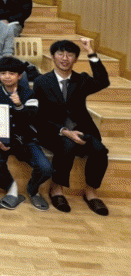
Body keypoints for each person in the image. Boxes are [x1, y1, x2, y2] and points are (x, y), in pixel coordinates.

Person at [34, 39, 111, 216]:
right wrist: (64, 131)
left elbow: (103, 81)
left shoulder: (81, 80)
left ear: (76, 59)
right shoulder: (41, 81)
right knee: (67, 145)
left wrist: (90, 52)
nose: (65, 58)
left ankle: (91, 192)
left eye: (70, 55)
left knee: (100, 150)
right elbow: (40, 115)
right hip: (54, 131)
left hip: (82, 130)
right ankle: (56, 189)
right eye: (60, 54)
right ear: (52, 56)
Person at [0, 57, 52, 210]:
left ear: (20, 76)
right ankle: (10, 187)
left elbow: (32, 120)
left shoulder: (30, 94)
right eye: (3, 73)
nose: (7, 77)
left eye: (11, 73)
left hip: (26, 140)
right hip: (3, 140)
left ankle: (33, 189)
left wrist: (19, 105)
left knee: (45, 168)